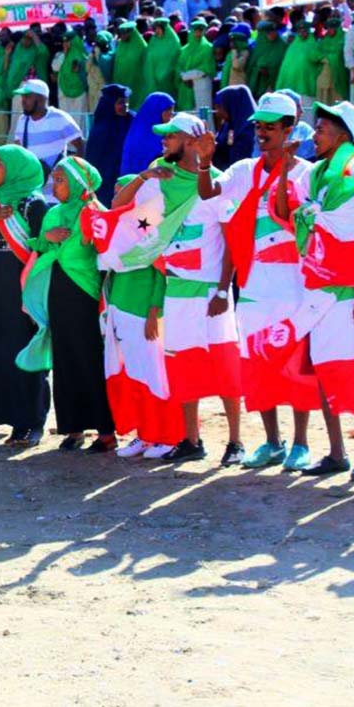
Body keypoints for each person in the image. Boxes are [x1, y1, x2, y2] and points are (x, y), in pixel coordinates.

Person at [195, 92, 317, 470]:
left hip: (295, 283)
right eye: (258, 125)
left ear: (289, 129)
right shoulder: (244, 170)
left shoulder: (307, 173)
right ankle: (271, 441)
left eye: (270, 126)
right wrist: (204, 162)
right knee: (259, 362)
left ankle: (300, 443)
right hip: (254, 283)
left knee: (296, 360)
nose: (262, 132)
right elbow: (208, 192)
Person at [274, 101, 354, 479]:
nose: (315, 135)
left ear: (342, 134)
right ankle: (336, 451)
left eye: (321, 129)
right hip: (318, 285)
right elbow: (291, 213)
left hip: (351, 289)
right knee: (324, 369)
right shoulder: (316, 172)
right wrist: (285, 172)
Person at [152, 113, 242, 463]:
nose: (164, 142)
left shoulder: (217, 184)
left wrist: (222, 290)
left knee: (224, 365)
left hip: (210, 295)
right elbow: (140, 221)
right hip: (177, 291)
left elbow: (232, 242)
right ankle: (192, 440)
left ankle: (235, 441)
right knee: (182, 365)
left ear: (191, 141)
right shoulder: (162, 181)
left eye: (171, 136)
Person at [17, 157, 116, 451]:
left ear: (76, 182)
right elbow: (43, 248)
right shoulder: (53, 213)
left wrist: (63, 245)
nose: (54, 185)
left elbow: (102, 251)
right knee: (65, 359)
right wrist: (47, 237)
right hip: (58, 293)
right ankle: (73, 429)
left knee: (89, 360)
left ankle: (106, 432)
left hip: (84, 294)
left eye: (61, 180)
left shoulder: (95, 212)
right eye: (55, 179)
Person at [91, 172, 185, 458]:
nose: (120, 196)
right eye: (117, 191)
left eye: (127, 191)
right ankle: (144, 434)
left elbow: (161, 275)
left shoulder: (151, 229)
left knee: (155, 378)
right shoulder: (119, 233)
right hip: (120, 311)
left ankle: (169, 435)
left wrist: (154, 312)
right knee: (132, 377)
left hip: (144, 314)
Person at [0, 146, 51, 445]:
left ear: (16, 168)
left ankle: (31, 422)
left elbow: (40, 249)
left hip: (25, 291)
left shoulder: (34, 205)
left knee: (25, 351)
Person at [10, 78, 83, 191]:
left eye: (27, 96)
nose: (23, 101)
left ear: (41, 98)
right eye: (23, 97)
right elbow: (18, 152)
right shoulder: (22, 120)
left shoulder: (59, 118)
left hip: (57, 193)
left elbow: (80, 146)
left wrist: (70, 172)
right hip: (32, 190)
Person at [84, 85, 133, 207]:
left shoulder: (131, 120)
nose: (125, 106)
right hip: (104, 182)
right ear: (110, 104)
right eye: (121, 102)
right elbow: (93, 159)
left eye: (127, 102)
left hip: (125, 178)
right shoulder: (101, 129)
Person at [120, 91, 175, 176]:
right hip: (142, 180)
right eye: (169, 110)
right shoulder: (150, 134)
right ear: (158, 111)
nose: (172, 115)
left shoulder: (138, 128)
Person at [212, 85, 257, 170]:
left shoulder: (250, 130)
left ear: (232, 105)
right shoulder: (230, 126)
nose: (217, 112)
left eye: (220, 107)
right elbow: (226, 146)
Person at [275, 20, 318, 109]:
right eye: (300, 31)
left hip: (307, 85)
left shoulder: (314, 45)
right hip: (291, 86)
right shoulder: (293, 46)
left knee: (307, 111)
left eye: (305, 31)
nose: (302, 33)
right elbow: (286, 66)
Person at [176, 19, 216, 112]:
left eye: (201, 30)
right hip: (185, 88)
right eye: (196, 30)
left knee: (203, 113)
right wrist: (183, 77)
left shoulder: (208, 48)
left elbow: (207, 67)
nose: (198, 33)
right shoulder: (184, 50)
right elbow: (178, 67)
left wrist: (188, 76)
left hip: (202, 84)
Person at [112, 21, 149, 109]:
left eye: (125, 32)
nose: (122, 35)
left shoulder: (142, 47)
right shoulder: (120, 46)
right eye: (121, 33)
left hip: (137, 86)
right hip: (122, 84)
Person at [53, 29, 88, 118]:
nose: (65, 44)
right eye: (64, 41)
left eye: (67, 41)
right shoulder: (60, 55)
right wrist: (64, 54)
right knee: (65, 118)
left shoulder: (84, 56)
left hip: (80, 91)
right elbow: (55, 67)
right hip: (64, 90)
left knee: (79, 118)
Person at [144, 18, 181, 100]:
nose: (157, 31)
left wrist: (164, 74)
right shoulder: (153, 40)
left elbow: (174, 60)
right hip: (153, 79)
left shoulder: (173, 41)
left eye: (159, 28)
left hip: (168, 80)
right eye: (155, 28)